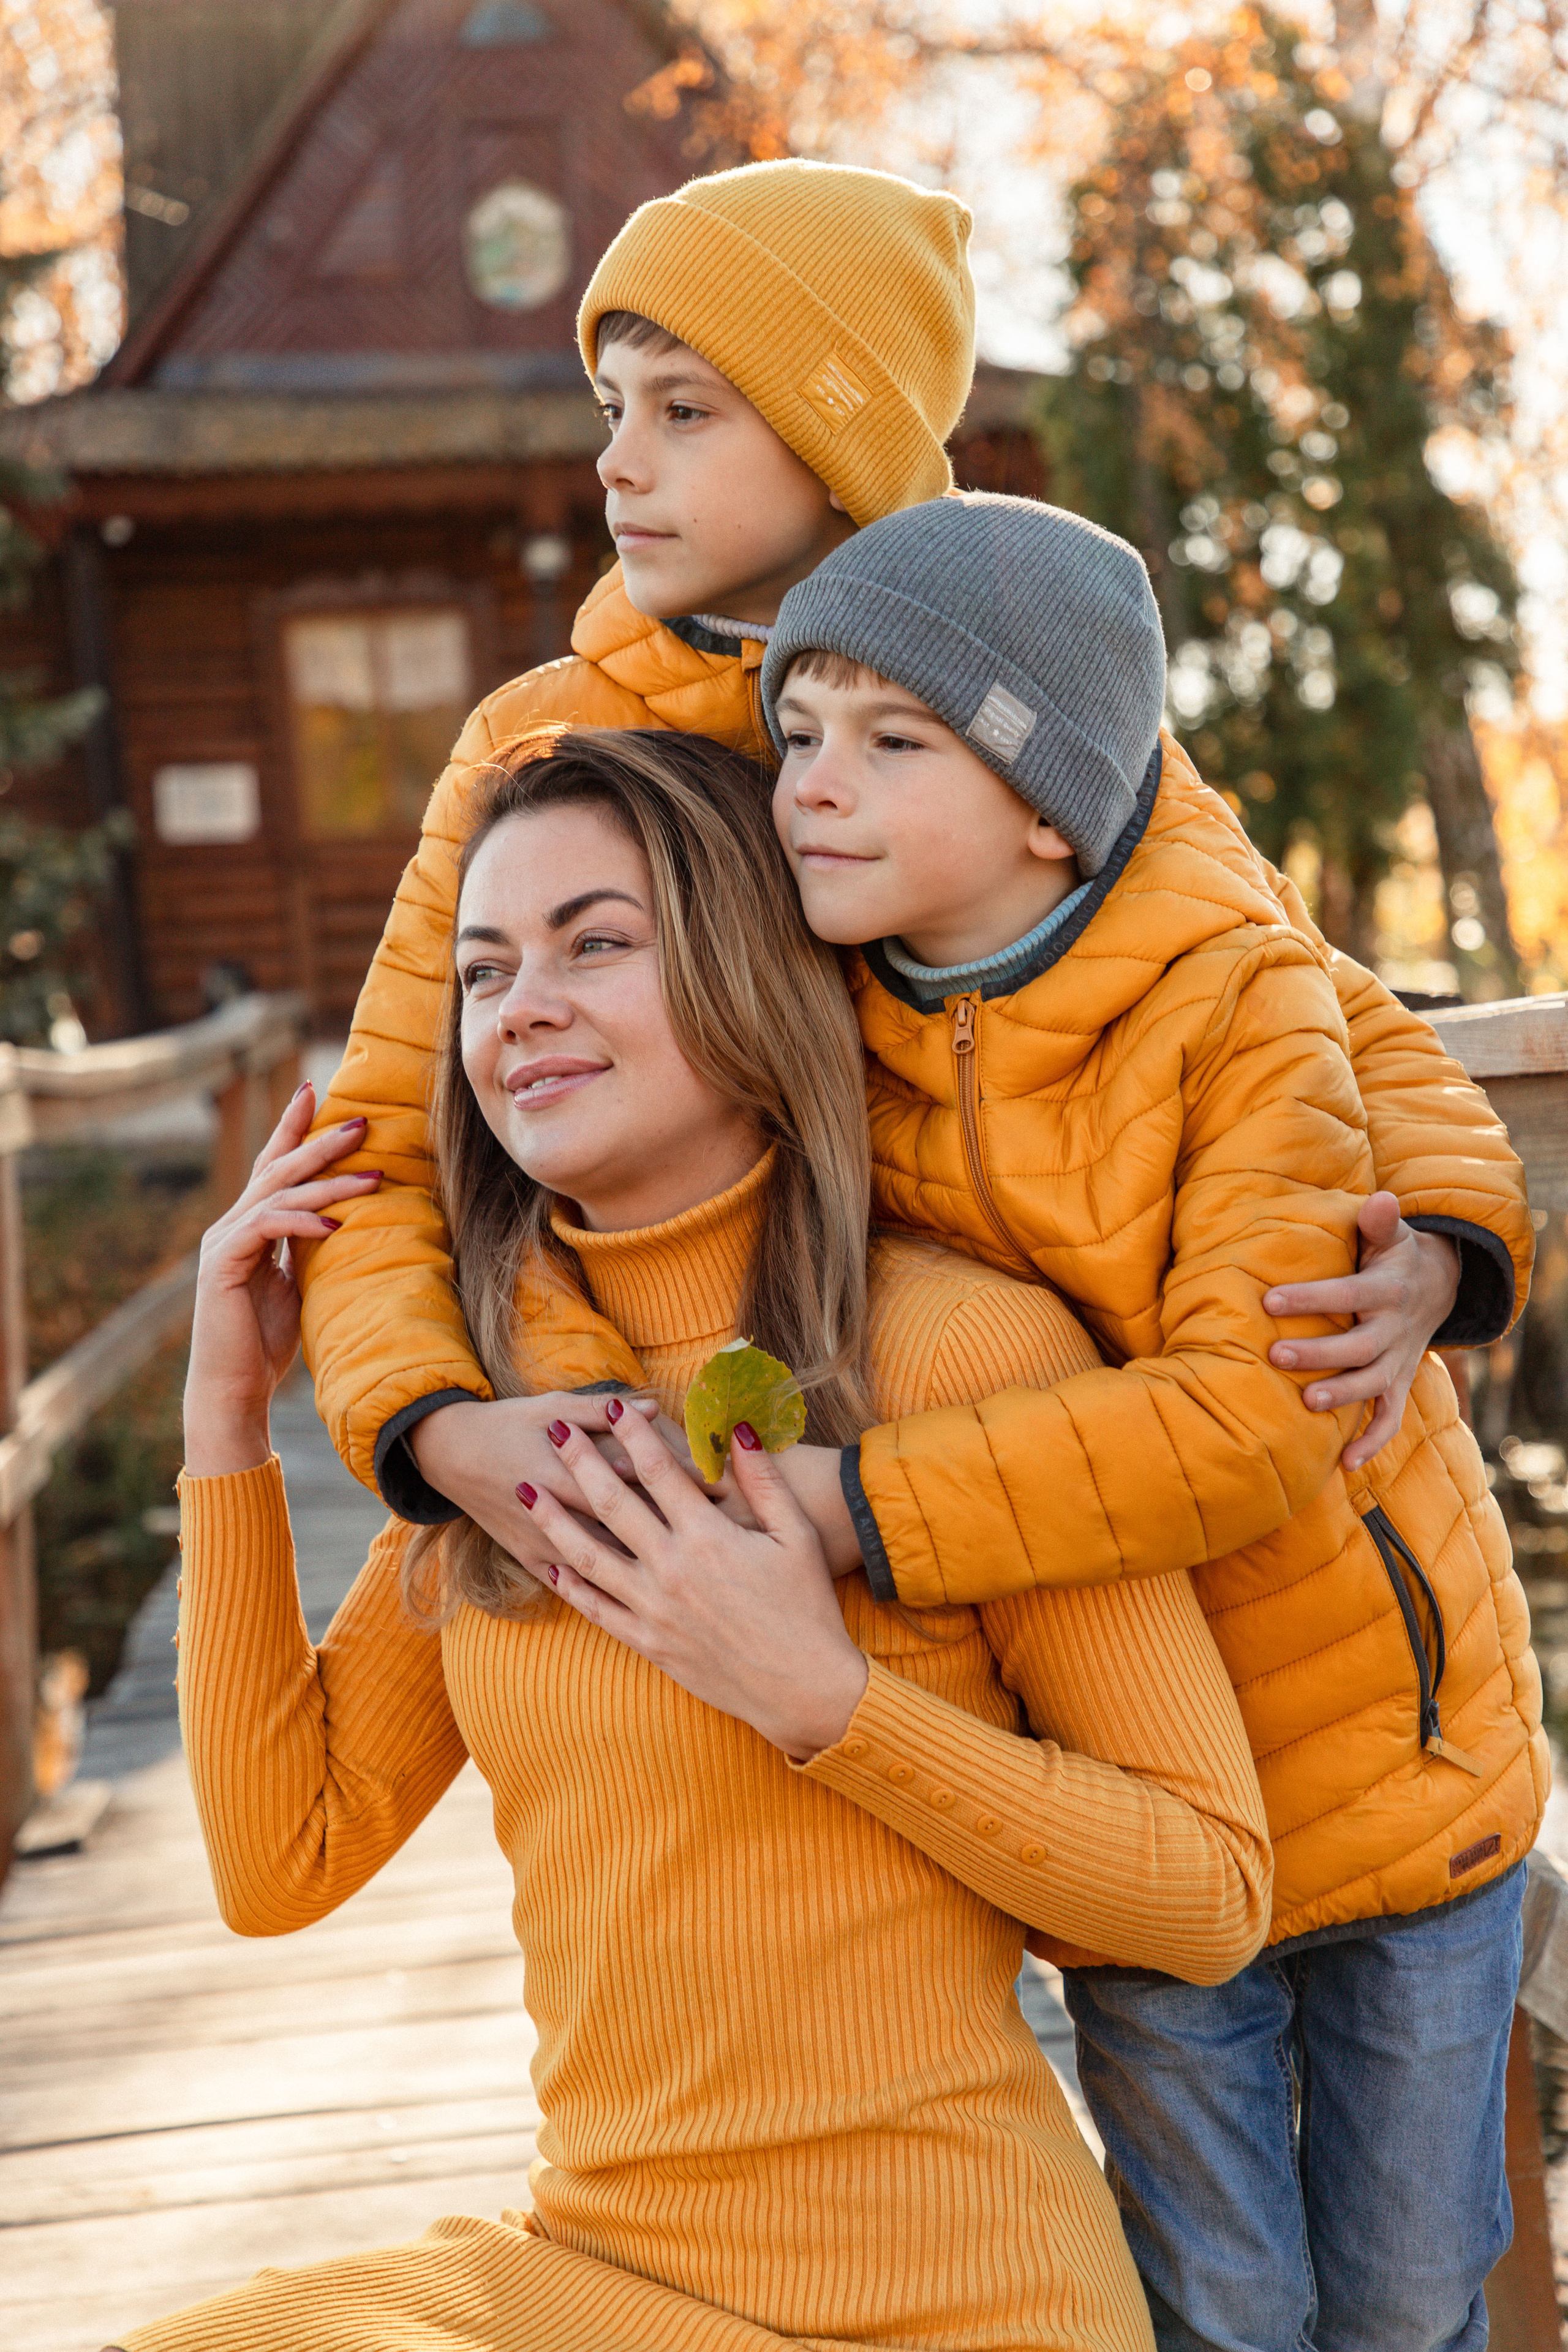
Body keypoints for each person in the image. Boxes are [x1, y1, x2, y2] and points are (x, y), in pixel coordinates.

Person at [111, 728, 1270, 2352]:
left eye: (598, 943)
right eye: (486, 969)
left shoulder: (957, 1357)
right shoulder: (502, 1423)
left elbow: (1210, 1888)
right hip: (607, 2278)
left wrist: (829, 1705)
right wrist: (226, 1428)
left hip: (958, 2293)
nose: (524, 1009)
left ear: (745, 968)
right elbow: (282, 1858)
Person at [301, 157, 1525, 1594]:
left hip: (1106, 1461)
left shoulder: (1023, 700)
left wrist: (1441, 1248)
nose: (618, 464)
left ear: (837, 446)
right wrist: (444, 1428)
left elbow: (1317, 998)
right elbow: (385, 1145)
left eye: (683, 410)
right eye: (611, 410)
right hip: (772, 1476)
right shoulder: (536, 744)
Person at [718, 491, 1536, 2352]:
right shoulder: (829, 1024)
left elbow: (1253, 1422)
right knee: (1222, 2309)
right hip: (1135, 1790)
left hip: (1390, 1758)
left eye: (889, 738)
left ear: (1045, 803)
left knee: (1411, 2298)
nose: (809, 785)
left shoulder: (1231, 995)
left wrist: (866, 1508)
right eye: (797, 732)